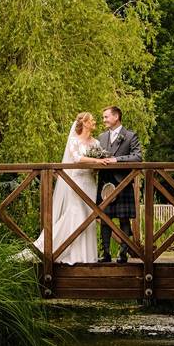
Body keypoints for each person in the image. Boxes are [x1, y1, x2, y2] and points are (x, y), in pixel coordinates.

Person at [29, 112, 106, 264]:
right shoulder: (74, 141)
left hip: (90, 183)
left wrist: (97, 166)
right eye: (92, 120)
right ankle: (65, 252)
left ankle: (88, 256)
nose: (95, 122)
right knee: (76, 215)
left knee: (89, 216)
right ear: (84, 123)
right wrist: (96, 161)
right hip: (76, 182)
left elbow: (96, 166)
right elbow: (77, 158)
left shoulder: (96, 143)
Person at [96, 106, 143, 263]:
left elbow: (137, 158)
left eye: (106, 117)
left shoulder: (130, 136)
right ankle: (106, 254)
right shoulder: (101, 137)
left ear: (116, 117)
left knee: (124, 219)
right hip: (104, 183)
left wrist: (117, 160)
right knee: (104, 219)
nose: (104, 120)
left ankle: (123, 253)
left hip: (122, 182)